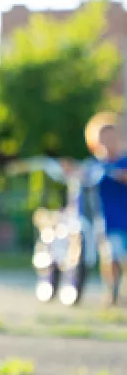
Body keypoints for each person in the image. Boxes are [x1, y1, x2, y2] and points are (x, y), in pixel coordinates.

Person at [84, 113, 125, 306]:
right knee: (111, 256)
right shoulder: (94, 165)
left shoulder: (123, 162)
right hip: (107, 219)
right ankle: (112, 292)